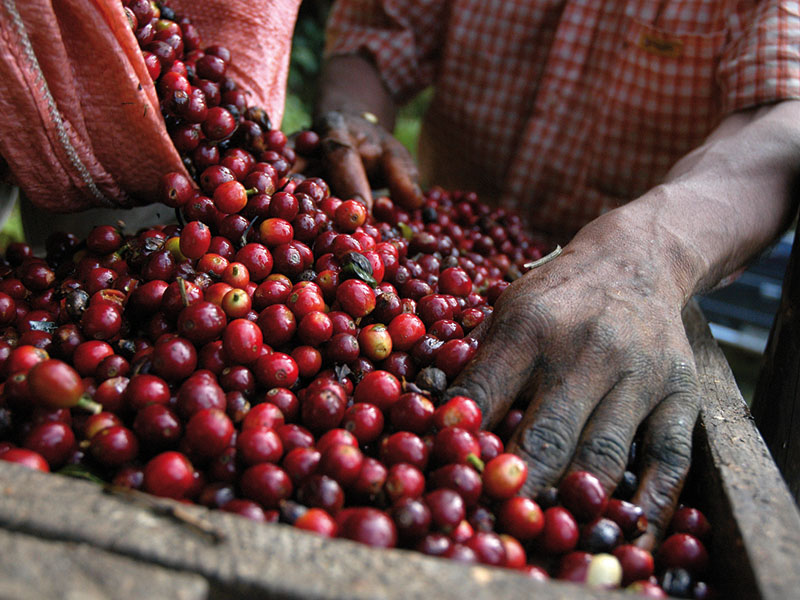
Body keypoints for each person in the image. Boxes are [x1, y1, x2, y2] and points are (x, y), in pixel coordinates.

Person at [312, 0, 800, 542]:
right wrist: (360, 119)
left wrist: (653, 248)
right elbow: (379, 29)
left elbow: (783, 118)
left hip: (638, 297)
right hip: (440, 241)